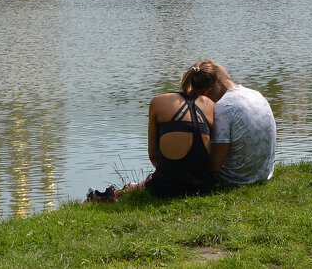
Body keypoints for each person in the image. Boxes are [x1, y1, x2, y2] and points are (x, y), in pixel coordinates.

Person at [89, 63, 217, 202]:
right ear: (209, 89)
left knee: (133, 186)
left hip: (164, 188)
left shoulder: (158, 101)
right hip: (202, 187)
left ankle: (103, 196)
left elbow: (152, 155)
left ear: (186, 77)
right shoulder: (211, 106)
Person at [198, 59, 276, 186]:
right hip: (264, 174)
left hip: (236, 179)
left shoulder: (223, 106)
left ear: (211, 88)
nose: (203, 100)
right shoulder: (256, 94)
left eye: (202, 95)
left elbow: (214, 166)